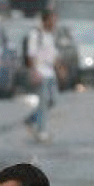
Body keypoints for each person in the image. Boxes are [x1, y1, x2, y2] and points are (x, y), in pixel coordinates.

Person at [23, 8, 60, 141]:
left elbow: (53, 54)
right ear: (45, 20)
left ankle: (31, 119)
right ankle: (41, 131)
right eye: (52, 19)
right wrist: (33, 71)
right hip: (40, 72)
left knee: (53, 100)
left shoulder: (51, 35)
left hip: (50, 73)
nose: (54, 22)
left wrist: (59, 68)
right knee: (43, 102)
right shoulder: (36, 34)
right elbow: (30, 54)